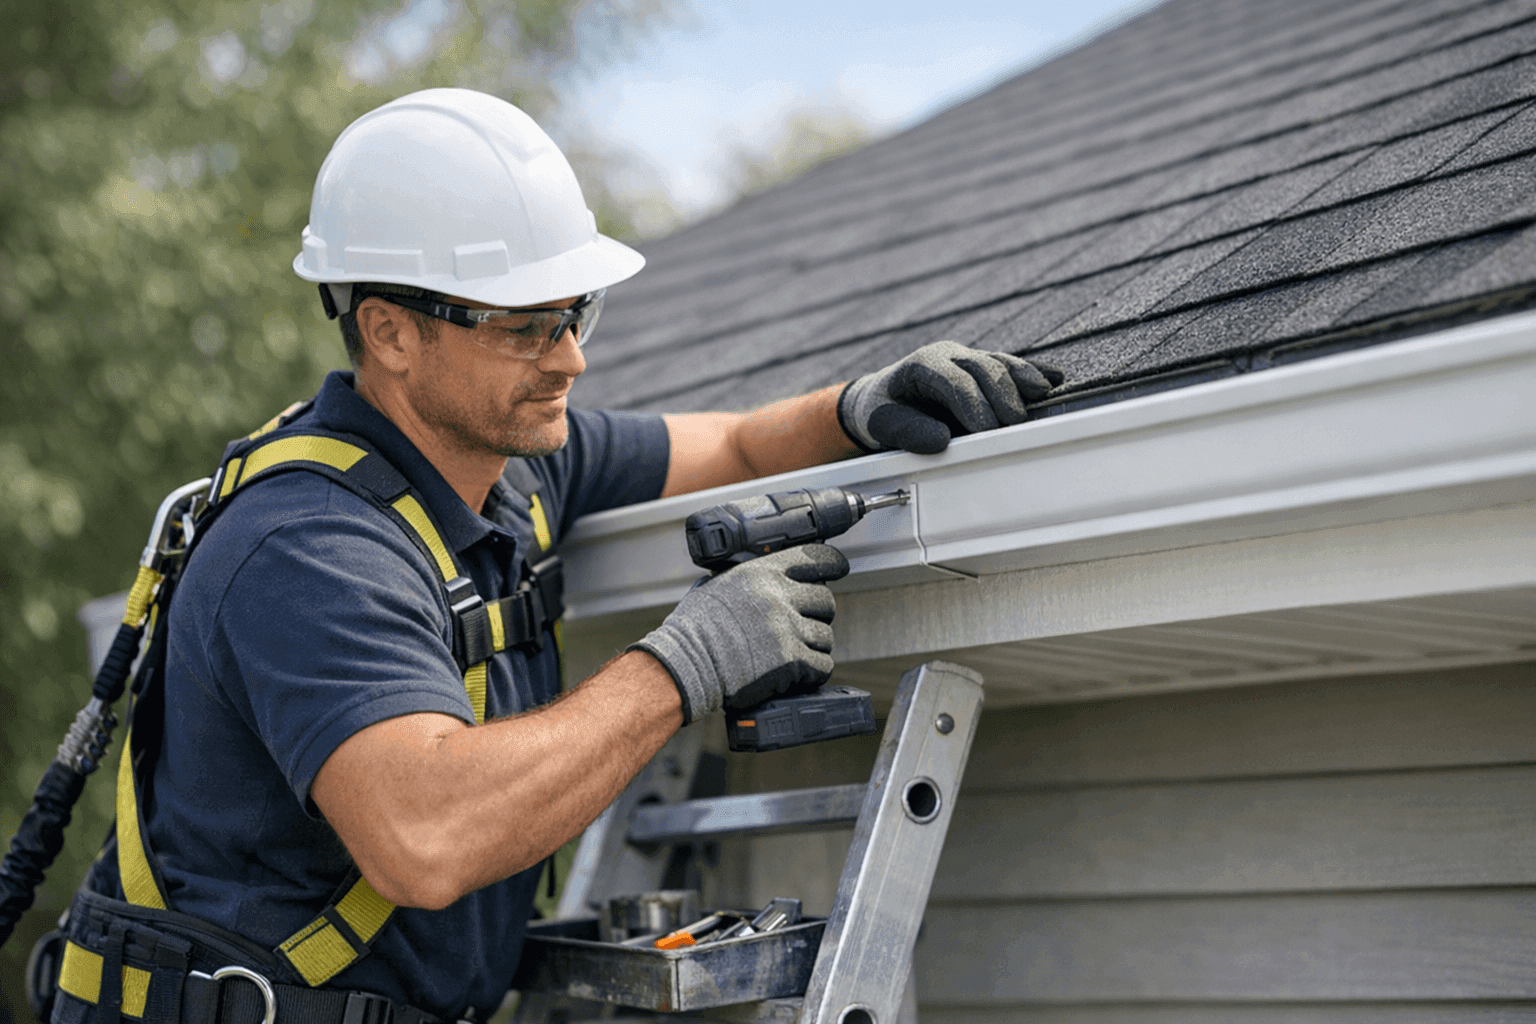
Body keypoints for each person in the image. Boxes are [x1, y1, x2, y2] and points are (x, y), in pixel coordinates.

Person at [54, 88, 1060, 1024]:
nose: (572, 358)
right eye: (530, 326)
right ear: (391, 333)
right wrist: (688, 660)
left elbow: (738, 445)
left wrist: (855, 408)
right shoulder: (308, 547)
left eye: (577, 314)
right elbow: (425, 836)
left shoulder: (516, 459)